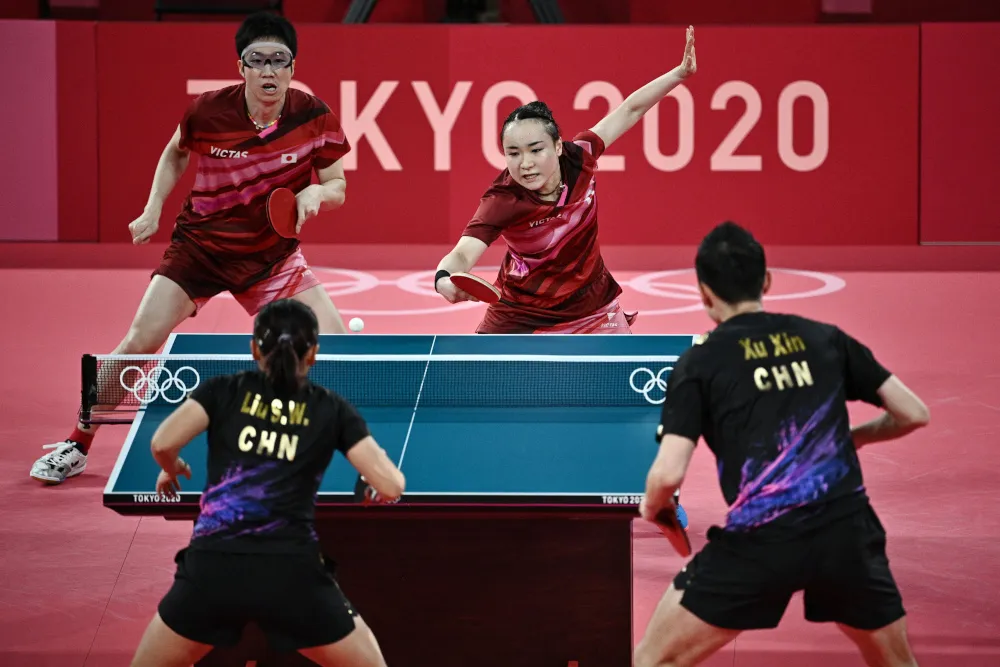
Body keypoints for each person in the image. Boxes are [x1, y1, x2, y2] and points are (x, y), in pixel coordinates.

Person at [32, 11, 352, 484]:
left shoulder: (314, 115)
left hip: (270, 257)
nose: (268, 70)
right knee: (138, 343)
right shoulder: (207, 111)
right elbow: (175, 152)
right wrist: (153, 208)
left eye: (278, 60)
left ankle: (340, 448)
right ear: (241, 67)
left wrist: (317, 193)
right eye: (257, 60)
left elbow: (338, 184)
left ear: (292, 67)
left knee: (341, 349)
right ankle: (77, 442)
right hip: (199, 250)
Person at [634, 222, 929, 667]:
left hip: (762, 539)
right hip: (845, 534)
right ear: (767, 281)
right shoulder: (825, 338)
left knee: (654, 661)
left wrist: (653, 505)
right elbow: (913, 413)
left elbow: (668, 473)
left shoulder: (699, 364)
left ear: (704, 293)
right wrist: (855, 438)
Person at [128, 299, 405, 667]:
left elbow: (162, 443)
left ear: (254, 349)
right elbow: (391, 486)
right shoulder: (331, 409)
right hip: (291, 574)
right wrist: (373, 482)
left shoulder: (222, 390)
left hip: (213, 568)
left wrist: (172, 466)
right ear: (314, 353)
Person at [433, 26, 698, 335]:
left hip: (592, 307)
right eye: (513, 153)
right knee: (478, 366)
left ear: (558, 146)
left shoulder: (579, 157)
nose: (525, 163)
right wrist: (443, 280)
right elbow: (463, 253)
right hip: (521, 312)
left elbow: (630, 110)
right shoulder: (503, 200)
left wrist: (679, 74)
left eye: (536, 150)